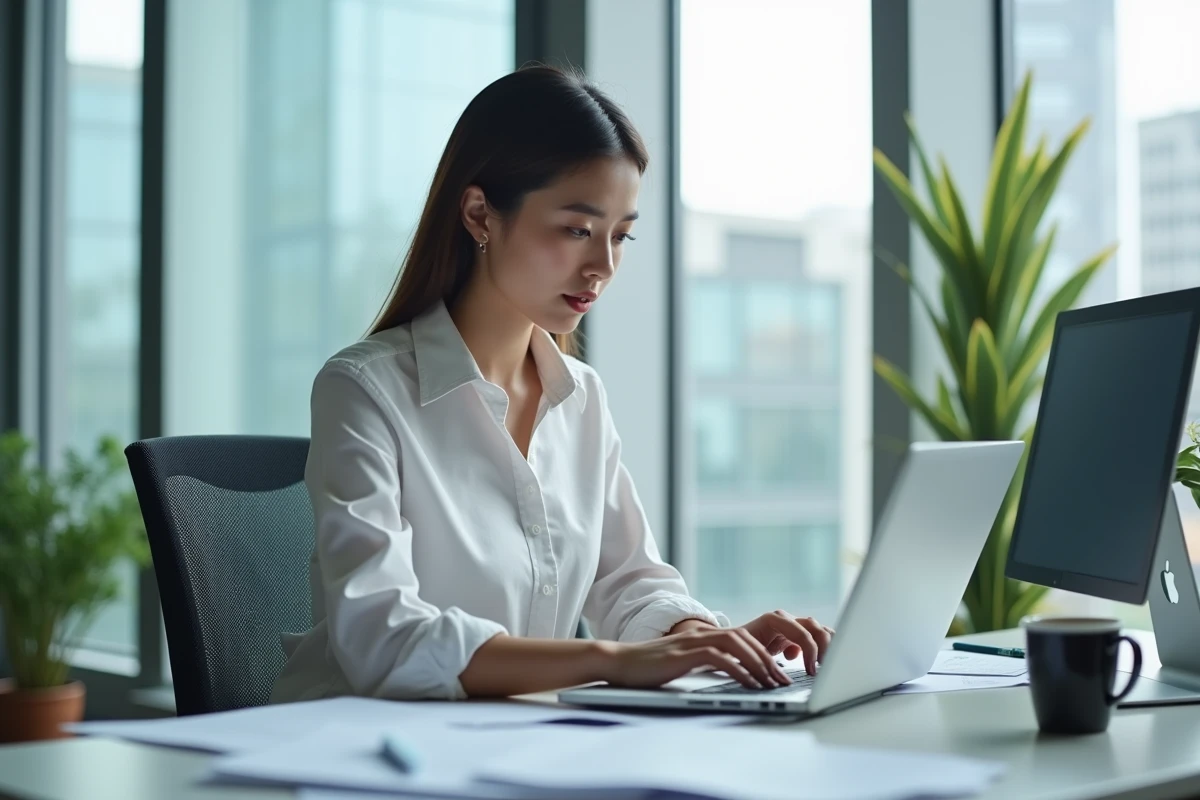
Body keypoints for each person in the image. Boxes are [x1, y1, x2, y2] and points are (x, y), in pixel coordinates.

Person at [270, 65, 834, 704]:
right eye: (576, 230)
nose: (603, 266)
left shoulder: (581, 397)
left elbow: (630, 580)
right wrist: (613, 660)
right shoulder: (364, 390)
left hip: (519, 742)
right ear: (481, 213)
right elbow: (382, 636)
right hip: (359, 751)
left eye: (620, 236)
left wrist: (706, 640)